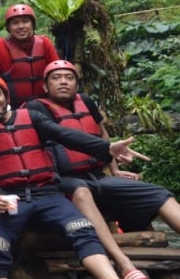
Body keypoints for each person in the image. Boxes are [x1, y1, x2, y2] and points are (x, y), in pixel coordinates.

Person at [0, 74, 147, 279]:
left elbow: (65, 135)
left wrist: (106, 147)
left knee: (82, 230)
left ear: (6, 97)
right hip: (11, 199)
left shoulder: (31, 116)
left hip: (48, 194)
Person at [27, 60, 180, 279]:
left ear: (76, 84)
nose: (63, 82)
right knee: (81, 191)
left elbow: (103, 136)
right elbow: (65, 136)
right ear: (45, 86)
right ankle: (125, 265)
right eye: (56, 78)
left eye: (69, 78)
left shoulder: (87, 102)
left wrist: (115, 169)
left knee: (159, 194)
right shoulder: (36, 108)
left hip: (98, 176)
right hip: (63, 181)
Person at [0, 4, 59, 108]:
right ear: (8, 28)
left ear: (32, 25)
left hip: (45, 103)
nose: (21, 26)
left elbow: (58, 73)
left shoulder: (44, 42)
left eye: (25, 21)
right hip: (13, 107)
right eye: (15, 23)